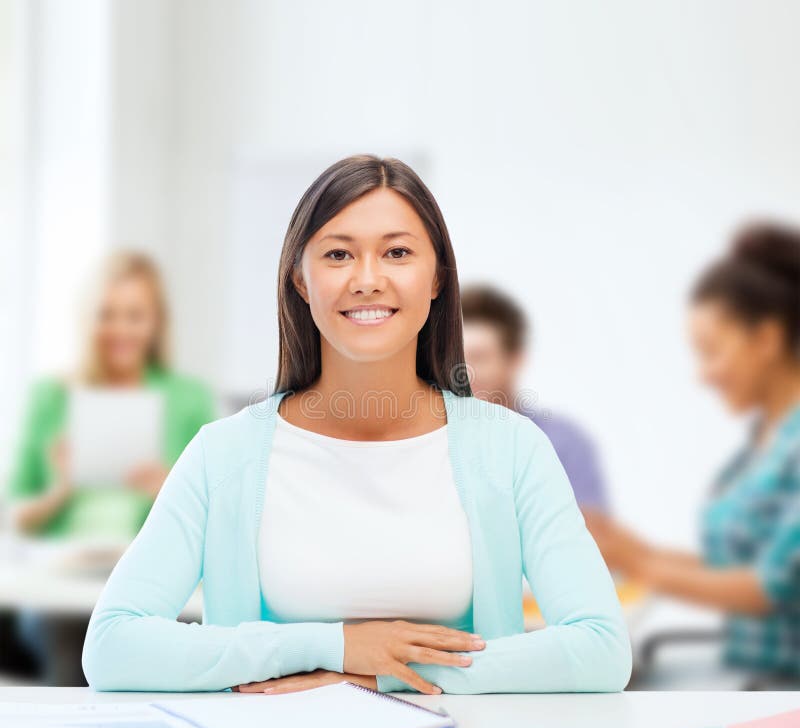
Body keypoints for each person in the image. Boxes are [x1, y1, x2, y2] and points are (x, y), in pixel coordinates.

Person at [81, 155, 631, 695]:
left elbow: (601, 648)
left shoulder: (512, 450)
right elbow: (112, 646)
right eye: (339, 254)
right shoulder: (225, 455)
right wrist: (334, 646)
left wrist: (379, 674)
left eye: (397, 252)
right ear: (300, 279)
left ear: (437, 276)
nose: (368, 279)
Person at [586, 222, 800, 685]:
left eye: (711, 351)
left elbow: (768, 587)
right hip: (751, 677)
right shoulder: (763, 443)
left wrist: (641, 564)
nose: (703, 375)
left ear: (766, 339)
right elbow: (733, 565)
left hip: (781, 690)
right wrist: (628, 548)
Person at [4, 250, 216, 684]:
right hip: (60, 586)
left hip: (155, 584)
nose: (120, 329)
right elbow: (15, 517)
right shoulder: (51, 396)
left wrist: (170, 489)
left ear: (156, 323)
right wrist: (59, 491)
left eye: (135, 316)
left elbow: (220, 517)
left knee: (152, 648)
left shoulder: (187, 398)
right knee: (73, 646)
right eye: (107, 315)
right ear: (88, 319)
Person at [461, 283, 611, 514]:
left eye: (479, 358)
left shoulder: (562, 443)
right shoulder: (431, 443)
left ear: (515, 360)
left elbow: (591, 535)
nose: (464, 372)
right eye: (455, 358)